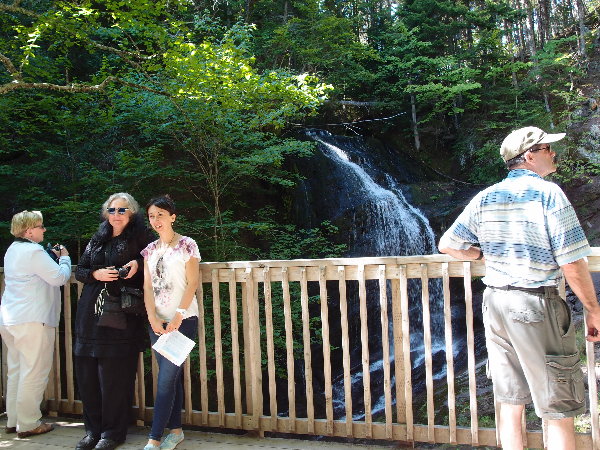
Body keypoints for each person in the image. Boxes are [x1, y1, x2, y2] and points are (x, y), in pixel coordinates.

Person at [438, 126, 600, 450]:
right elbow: (571, 260)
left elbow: (448, 245)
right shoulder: (548, 194)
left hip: (496, 303)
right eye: (547, 148)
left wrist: (480, 255)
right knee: (557, 404)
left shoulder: (486, 197)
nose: (553, 153)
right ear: (529, 156)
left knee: (510, 401)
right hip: (535, 305)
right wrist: (593, 309)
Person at [73, 193, 154, 450]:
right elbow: (80, 270)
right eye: (112, 210)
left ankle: (112, 433)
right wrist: (96, 273)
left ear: (132, 213)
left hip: (122, 314)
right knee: (88, 376)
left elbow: (156, 260)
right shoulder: (98, 238)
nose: (116, 215)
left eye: (122, 210)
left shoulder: (141, 236)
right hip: (90, 314)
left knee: (116, 377)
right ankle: (92, 431)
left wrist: (138, 264)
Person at [0, 210, 71, 438]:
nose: (44, 229)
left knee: (17, 370)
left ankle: (14, 420)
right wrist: (65, 258)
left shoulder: (13, 249)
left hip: (11, 319)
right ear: (29, 231)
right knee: (34, 372)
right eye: (40, 226)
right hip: (32, 319)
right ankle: (29, 423)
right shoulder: (33, 251)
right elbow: (59, 277)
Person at [141, 195, 200, 450]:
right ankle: (176, 432)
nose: (156, 220)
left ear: (172, 217)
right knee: (171, 379)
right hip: (157, 324)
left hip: (183, 321)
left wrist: (178, 315)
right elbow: (147, 288)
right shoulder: (149, 251)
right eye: (152, 216)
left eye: (161, 215)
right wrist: (152, 318)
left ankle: (154, 439)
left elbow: (192, 283)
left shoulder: (187, 245)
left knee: (166, 380)